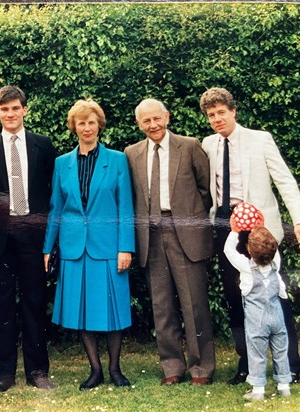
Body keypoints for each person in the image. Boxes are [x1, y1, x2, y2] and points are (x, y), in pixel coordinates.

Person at [199, 87, 300, 384]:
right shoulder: (207, 144)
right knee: (235, 297)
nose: (217, 119)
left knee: (275, 295)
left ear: (233, 111)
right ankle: (246, 365)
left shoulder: (260, 139)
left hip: (259, 230)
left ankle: (292, 365)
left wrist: (298, 220)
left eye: (221, 112)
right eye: (211, 115)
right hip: (224, 226)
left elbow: (285, 181)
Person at [42, 99, 135, 391]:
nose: (86, 128)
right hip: (73, 249)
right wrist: (48, 248)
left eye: (91, 122)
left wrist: (126, 247)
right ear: (74, 127)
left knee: (113, 310)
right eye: (81, 123)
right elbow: (56, 208)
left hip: (108, 248)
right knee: (81, 310)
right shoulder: (62, 163)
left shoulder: (117, 160)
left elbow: (126, 207)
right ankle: (95, 370)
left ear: (99, 125)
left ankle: (115, 369)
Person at [124, 98, 215, 385]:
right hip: (150, 235)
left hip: (184, 233)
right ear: (139, 124)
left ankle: (201, 368)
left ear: (167, 117)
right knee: (162, 306)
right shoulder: (131, 153)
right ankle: (172, 367)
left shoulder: (189, 146)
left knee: (194, 304)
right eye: (146, 121)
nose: (152, 125)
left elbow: (206, 189)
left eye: (156, 118)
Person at [0, 85, 57, 392]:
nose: (10, 114)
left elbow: (53, 192)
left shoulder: (42, 145)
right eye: (4, 109)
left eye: (15, 108)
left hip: (33, 234)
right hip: (0, 236)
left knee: (34, 302)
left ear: (25, 110)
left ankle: (38, 371)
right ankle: (5, 374)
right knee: (1, 306)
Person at [224, 222, 292, 401]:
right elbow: (273, 251)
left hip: (257, 321)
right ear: (274, 249)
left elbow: (229, 251)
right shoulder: (275, 266)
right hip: (277, 317)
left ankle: (258, 390)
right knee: (280, 351)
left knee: (257, 354)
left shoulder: (246, 268)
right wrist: (264, 227)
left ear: (248, 249)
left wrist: (234, 231)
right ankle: (284, 386)